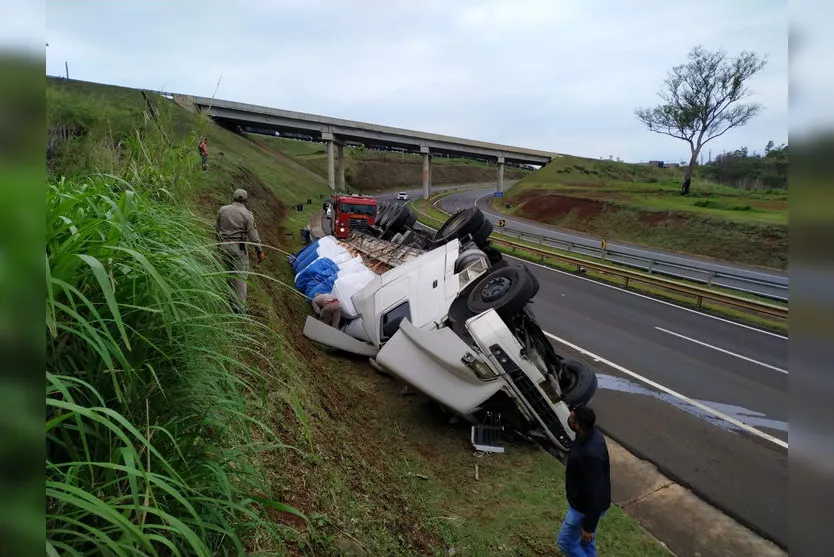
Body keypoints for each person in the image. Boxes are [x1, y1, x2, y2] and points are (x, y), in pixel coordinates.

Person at [557, 405, 611, 557]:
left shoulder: (590, 455)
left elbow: (596, 493)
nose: (569, 417)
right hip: (586, 505)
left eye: (572, 417)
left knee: (566, 542)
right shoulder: (591, 434)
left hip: (584, 509)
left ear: (577, 425)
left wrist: (588, 526)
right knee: (584, 543)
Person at [216, 188, 265, 312]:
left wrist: (219, 244)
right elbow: (253, 235)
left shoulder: (223, 210)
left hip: (223, 246)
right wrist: (259, 251)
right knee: (240, 278)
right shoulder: (247, 215)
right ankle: (239, 307)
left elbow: (216, 228)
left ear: (233, 198)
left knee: (229, 274)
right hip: (238, 249)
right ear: (246, 200)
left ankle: (230, 300)